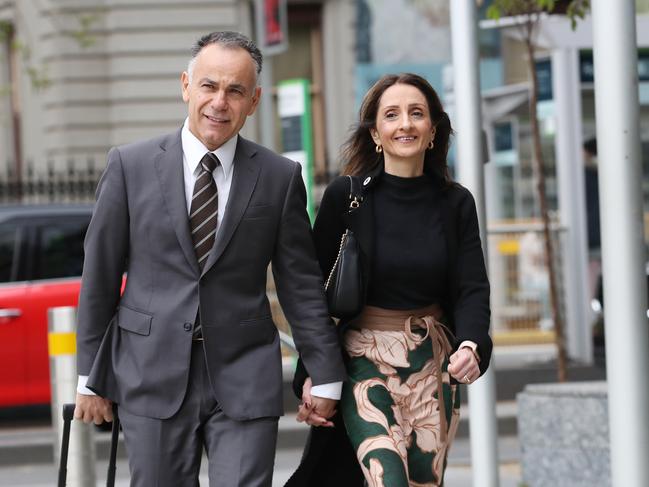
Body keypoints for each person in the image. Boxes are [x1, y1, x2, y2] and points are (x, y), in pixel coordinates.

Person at [73, 31, 346, 487]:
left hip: (244, 375)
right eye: (209, 86)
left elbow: (300, 284)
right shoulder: (129, 166)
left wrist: (325, 373)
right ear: (186, 86)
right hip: (149, 371)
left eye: (235, 90)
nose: (220, 102)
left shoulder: (279, 178)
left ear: (254, 100)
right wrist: (89, 377)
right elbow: (99, 276)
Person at [287, 73, 492, 487]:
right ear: (376, 133)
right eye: (392, 115)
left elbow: (472, 287)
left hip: (432, 366)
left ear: (433, 129)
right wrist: (311, 371)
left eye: (417, 114)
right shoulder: (346, 197)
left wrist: (471, 343)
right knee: (389, 478)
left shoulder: (455, 202)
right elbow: (311, 292)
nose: (405, 124)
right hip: (363, 360)